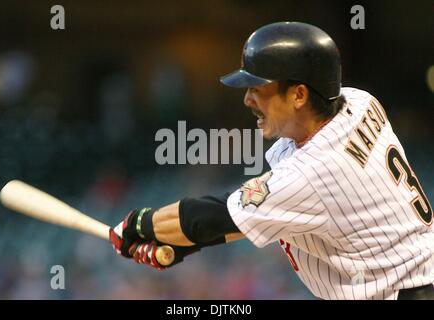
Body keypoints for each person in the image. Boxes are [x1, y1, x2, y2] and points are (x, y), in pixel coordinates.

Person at [109, 22, 434, 300]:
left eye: (258, 87)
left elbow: (216, 214)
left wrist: (140, 226)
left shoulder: (315, 171)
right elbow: (263, 212)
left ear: (299, 95)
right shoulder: (359, 102)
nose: (247, 98)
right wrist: (182, 244)